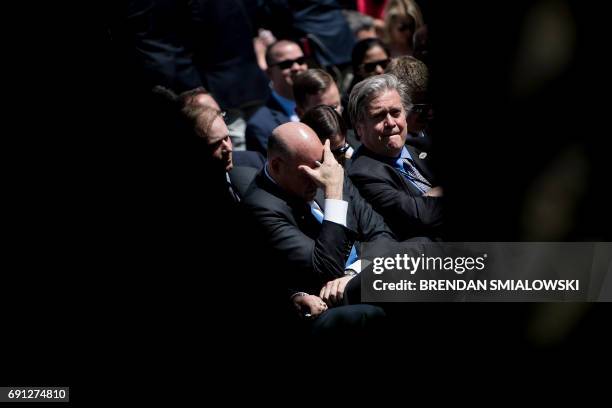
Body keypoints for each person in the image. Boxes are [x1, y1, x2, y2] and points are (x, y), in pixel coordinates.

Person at [241, 122, 391, 334]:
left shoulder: (324, 169)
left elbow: (381, 233)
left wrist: (355, 271)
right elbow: (327, 270)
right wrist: (333, 195)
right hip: (331, 299)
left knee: (425, 248)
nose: (319, 177)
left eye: (320, 164)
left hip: (366, 273)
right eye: (307, 172)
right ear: (276, 166)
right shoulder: (261, 207)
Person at [347, 74, 443, 240]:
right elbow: (421, 215)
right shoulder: (362, 173)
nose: (390, 123)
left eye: (395, 112)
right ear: (359, 127)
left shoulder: (420, 146)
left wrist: (428, 198)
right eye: (379, 116)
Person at [245, 40, 308, 155]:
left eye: (300, 61)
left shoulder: (322, 101)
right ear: (269, 73)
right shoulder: (260, 125)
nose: (296, 67)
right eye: (286, 64)